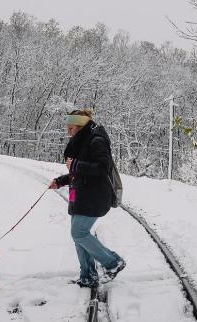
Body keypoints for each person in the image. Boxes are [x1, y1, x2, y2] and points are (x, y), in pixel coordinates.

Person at [49, 109, 125, 288]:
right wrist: (60, 181)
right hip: (82, 196)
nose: (69, 131)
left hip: (95, 196)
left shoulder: (96, 140)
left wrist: (75, 164)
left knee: (79, 233)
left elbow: (101, 168)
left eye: (71, 128)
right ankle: (88, 276)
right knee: (78, 235)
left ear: (81, 125)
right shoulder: (82, 140)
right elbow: (79, 173)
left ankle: (113, 263)